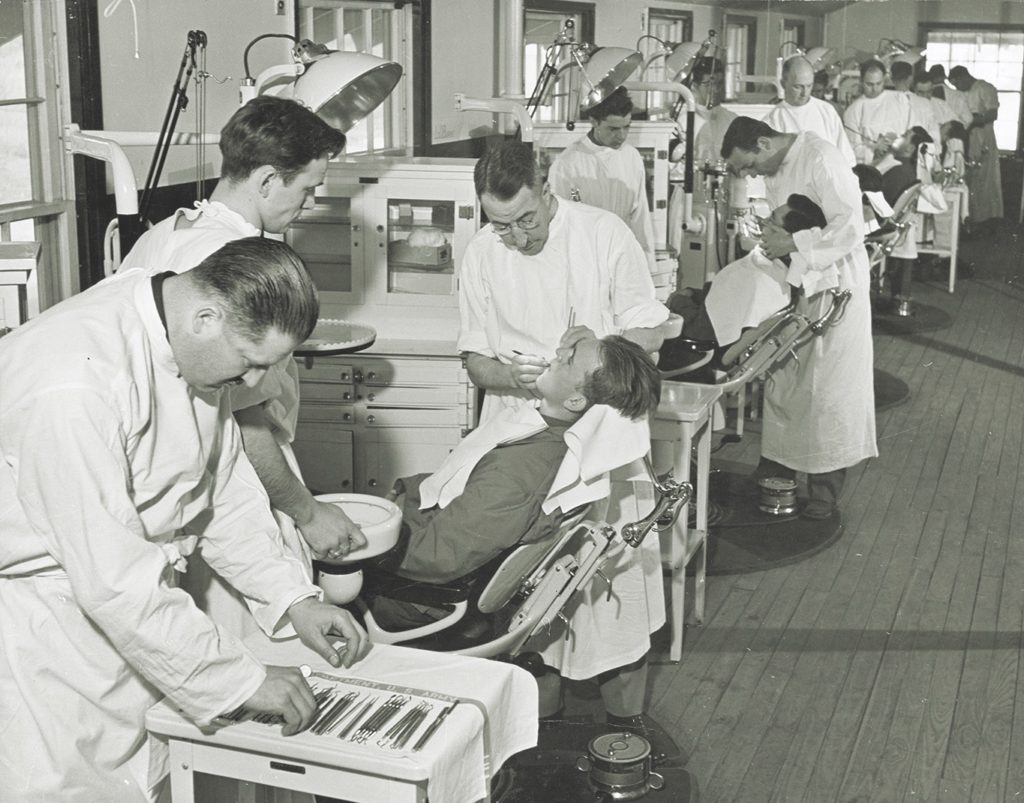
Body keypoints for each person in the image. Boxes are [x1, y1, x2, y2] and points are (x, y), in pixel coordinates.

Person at [0, 237, 371, 802]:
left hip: (130, 618)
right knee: (68, 787)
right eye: (251, 364)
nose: (253, 386)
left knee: (148, 781)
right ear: (206, 316)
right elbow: (111, 578)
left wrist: (293, 598)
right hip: (47, 638)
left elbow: (218, 493)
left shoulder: (184, 340)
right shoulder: (71, 384)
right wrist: (241, 680)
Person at [120, 96, 365, 640]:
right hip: (241, 482)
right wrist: (306, 512)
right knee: (263, 650)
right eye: (306, 189)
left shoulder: (164, 233)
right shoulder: (237, 261)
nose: (308, 203)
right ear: (267, 180)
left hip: (170, 489)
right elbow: (242, 424)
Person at [458, 138, 672, 756]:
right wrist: (519, 378)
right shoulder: (479, 255)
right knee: (530, 592)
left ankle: (628, 730)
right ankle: (539, 737)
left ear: (547, 190)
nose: (519, 238)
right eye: (502, 226)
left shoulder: (603, 235)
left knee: (618, 587)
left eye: (527, 219)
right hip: (520, 435)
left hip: (602, 435)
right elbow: (475, 360)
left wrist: (595, 353)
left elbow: (650, 329)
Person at [366, 334, 661, 627]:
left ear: (575, 400)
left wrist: (360, 542)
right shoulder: (544, 441)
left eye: (568, 360)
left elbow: (438, 557)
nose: (558, 353)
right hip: (417, 535)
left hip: (409, 599)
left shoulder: (519, 472)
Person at [721, 117, 878, 520]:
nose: (753, 174)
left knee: (829, 390)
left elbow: (851, 226)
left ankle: (825, 491)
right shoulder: (780, 164)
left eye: (752, 166)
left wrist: (790, 241)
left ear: (763, 143)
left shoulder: (821, 158)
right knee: (785, 377)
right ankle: (778, 467)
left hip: (835, 282)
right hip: (796, 279)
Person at [661, 194, 828, 362]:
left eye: (771, 221)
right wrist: (694, 294)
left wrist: (677, 301)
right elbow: (723, 301)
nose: (763, 224)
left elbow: (700, 332)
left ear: (788, 238)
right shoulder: (776, 274)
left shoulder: (759, 279)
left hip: (696, 354)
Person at [548, 87, 657, 272]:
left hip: (623, 258)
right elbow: (558, 226)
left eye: (627, 127)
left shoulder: (631, 157)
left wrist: (646, 264)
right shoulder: (567, 164)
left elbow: (640, 217)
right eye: (613, 129)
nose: (621, 135)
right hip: (584, 261)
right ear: (594, 121)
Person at [763, 56, 856, 166]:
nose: (804, 93)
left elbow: (846, 157)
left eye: (809, 86)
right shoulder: (773, 120)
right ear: (783, 84)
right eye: (798, 87)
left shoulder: (826, 111)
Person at [949, 64, 1003, 228]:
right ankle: (967, 217)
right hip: (965, 136)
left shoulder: (985, 88)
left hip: (982, 137)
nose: (957, 88)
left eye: (958, 84)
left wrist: (971, 120)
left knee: (983, 178)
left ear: (965, 77)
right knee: (966, 176)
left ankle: (985, 219)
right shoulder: (959, 93)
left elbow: (992, 114)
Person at [843, 59, 906, 165]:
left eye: (878, 83)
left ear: (884, 80)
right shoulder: (853, 111)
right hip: (872, 167)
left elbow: (911, 130)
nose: (875, 89)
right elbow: (852, 148)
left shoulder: (899, 99)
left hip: (900, 161)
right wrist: (874, 150)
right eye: (869, 84)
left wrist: (898, 142)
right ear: (861, 81)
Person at [889, 61, 940, 146]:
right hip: (920, 151)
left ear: (891, 79)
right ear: (911, 78)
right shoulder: (924, 103)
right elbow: (934, 132)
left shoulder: (884, 102)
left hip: (893, 151)